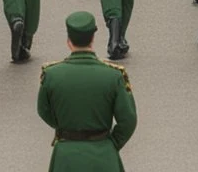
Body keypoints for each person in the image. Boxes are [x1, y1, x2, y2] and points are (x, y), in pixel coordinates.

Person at [36, 11, 137, 168]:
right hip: (103, 155)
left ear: (69, 41)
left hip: (66, 157)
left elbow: (44, 110)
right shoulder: (113, 75)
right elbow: (128, 120)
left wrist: (65, 125)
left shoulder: (51, 75)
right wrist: (111, 143)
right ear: (92, 39)